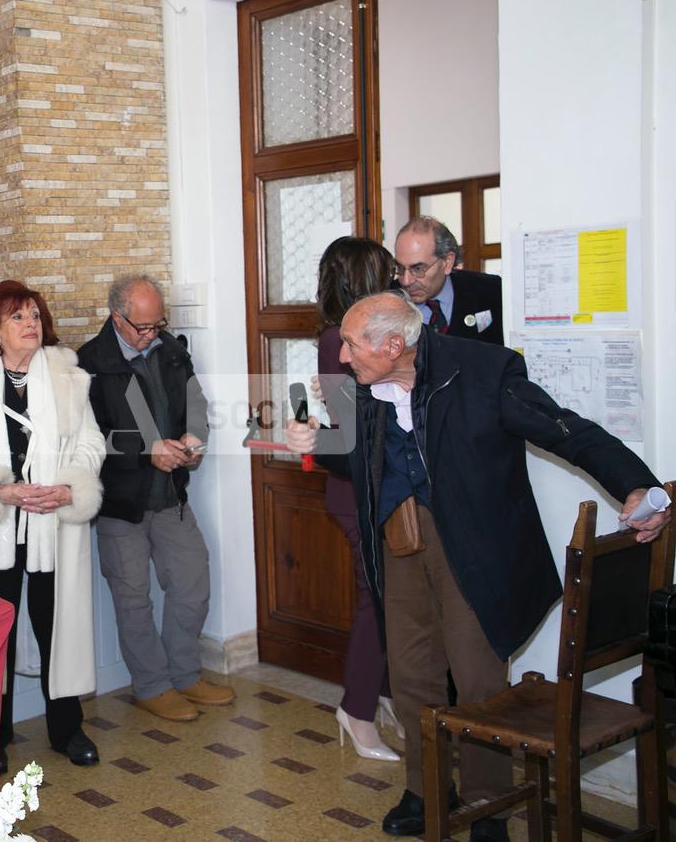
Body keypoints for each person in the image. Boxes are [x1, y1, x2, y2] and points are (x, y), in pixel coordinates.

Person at [285, 292, 669, 842]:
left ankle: (489, 802)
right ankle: (426, 788)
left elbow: (566, 430)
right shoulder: (366, 389)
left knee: (478, 680)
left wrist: (636, 483)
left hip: (475, 546)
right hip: (399, 541)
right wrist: (317, 444)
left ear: (394, 345)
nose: (342, 357)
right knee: (413, 675)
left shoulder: (484, 372)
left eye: (350, 344)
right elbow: (359, 457)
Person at [0, 280, 105, 771]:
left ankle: (67, 730)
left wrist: (71, 486)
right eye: (17, 317)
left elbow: (92, 442)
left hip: (52, 521)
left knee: (58, 624)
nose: (30, 324)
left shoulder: (66, 374)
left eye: (34, 315)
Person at [76, 275, 234, 724]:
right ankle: (152, 686)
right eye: (142, 327)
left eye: (157, 324)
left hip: (171, 497)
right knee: (133, 600)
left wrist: (194, 437)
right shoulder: (89, 364)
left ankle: (185, 674)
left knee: (192, 582)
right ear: (116, 318)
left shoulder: (171, 350)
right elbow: (87, 439)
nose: (151, 334)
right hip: (120, 503)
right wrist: (146, 450)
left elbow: (196, 401)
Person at [313, 237, 400, 761]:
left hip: (377, 485)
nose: (396, 281)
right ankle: (357, 710)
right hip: (354, 489)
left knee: (393, 598)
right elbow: (352, 426)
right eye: (386, 273)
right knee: (376, 598)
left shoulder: (370, 333)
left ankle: (384, 695)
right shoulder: (335, 339)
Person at [393, 216, 503, 344]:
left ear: (447, 262)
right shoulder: (386, 301)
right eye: (400, 268)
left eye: (418, 269)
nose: (406, 281)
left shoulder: (489, 291)